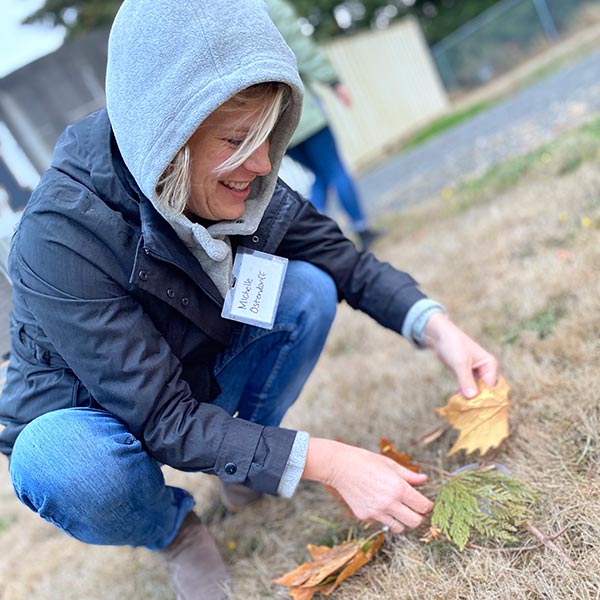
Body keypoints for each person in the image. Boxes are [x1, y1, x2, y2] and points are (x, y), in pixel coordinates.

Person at [0, 1, 498, 599]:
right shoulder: (61, 235)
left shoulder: (234, 172)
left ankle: (246, 469)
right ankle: (175, 531)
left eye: (267, 137)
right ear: (167, 135)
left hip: (189, 372)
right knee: (62, 462)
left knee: (308, 290)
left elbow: (342, 261)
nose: (263, 165)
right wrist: (331, 461)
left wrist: (436, 326)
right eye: (239, 140)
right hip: (93, 413)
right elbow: (161, 416)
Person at [265, 0, 381, 251]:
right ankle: (362, 228)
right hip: (303, 113)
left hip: (274, 124)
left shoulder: (237, 12)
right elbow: (302, 50)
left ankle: (311, 238)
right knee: (335, 170)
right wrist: (333, 81)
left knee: (319, 176)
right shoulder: (272, 7)